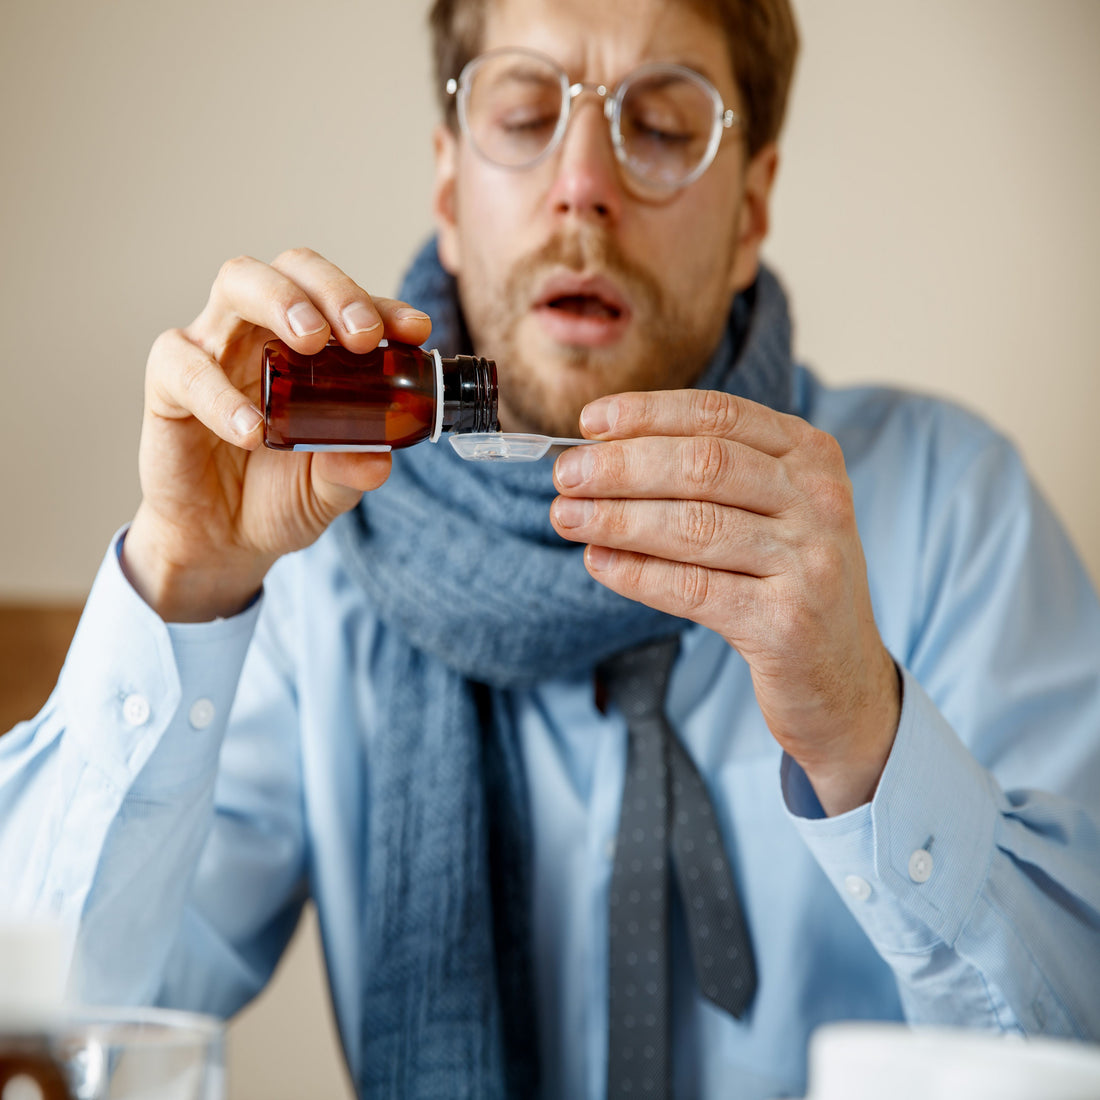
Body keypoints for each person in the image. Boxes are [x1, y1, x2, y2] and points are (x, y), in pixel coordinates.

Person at [2, 0, 1098, 1096]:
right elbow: (57, 1027)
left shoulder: (957, 514)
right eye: (525, 115)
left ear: (750, 210)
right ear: (447, 187)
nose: (582, 184)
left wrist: (871, 742)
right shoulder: (306, 551)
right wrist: (183, 585)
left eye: (662, 126)